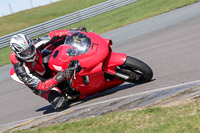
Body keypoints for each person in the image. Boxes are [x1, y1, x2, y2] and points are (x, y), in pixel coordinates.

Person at [9, 27, 86, 111]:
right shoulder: (21, 70)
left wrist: (74, 32)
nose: (29, 53)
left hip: (41, 64)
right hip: (38, 81)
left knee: (61, 42)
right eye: (25, 52)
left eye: (30, 49)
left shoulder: (35, 43)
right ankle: (63, 90)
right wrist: (61, 76)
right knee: (60, 103)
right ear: (18, 54)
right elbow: (42, 85)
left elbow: (53, 35)